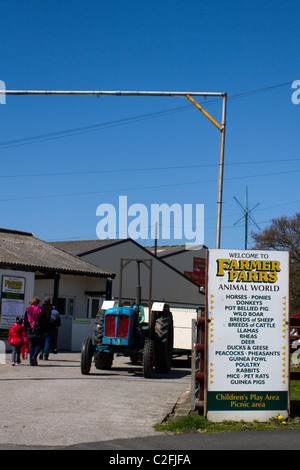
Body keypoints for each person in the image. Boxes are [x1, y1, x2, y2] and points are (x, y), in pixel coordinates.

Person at [24, 296, 47, 366]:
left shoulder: (28, 310)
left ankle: (31, 362)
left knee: (31, 346)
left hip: (30, 329)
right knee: (39, 345)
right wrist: (45, 330)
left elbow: (25, 321)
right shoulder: (41, 310)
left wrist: (26, 329)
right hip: (39, 330)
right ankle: (35, 355)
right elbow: (44, 321)